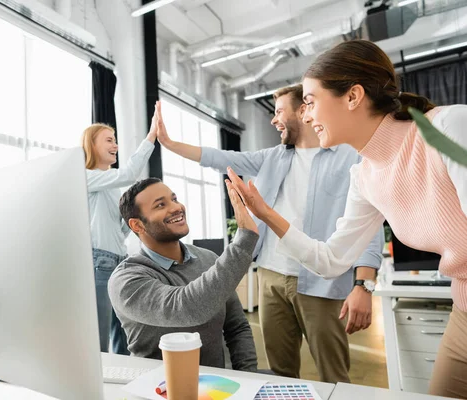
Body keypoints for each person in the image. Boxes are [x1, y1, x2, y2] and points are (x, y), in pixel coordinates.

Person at [227, 39, 467, 398]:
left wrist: (364, 286)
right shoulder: (365, 175)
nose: (305, 116)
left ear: (353, 96)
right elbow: (331, 260)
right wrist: (265, 214)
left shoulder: (448, 127)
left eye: (309, 102)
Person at [156, 84, 383, 383]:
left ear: (304, 110)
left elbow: (369, 225)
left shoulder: (349, 158)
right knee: (280, 373)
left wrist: (363, 286)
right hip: (272, 277)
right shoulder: (272, 157)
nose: (274, 120)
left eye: (278, 112)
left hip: (323, 283)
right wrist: (169, 143)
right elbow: (218, 156)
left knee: (334, 375)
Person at [107, 178, 259, 371]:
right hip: (156, 390)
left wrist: (247, 376)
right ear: (137, 225)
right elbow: (188, 308)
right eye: (161, 205)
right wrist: (244, 240)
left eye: (174, 199)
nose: (176, 207)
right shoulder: (125, 280)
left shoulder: (208, 259)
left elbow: (236, 327)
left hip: (215, 389)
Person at [83, 102, 160, 355]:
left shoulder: (111, 185)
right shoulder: (86, 176)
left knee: (124, 333)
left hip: (119, 261)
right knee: (100, 336)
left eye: (115, 140)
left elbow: (120, 228)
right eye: (108, 140)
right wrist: (151, 137)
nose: (115, 145)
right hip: (99, 261)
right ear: (92, 146)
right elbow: (128, 174)